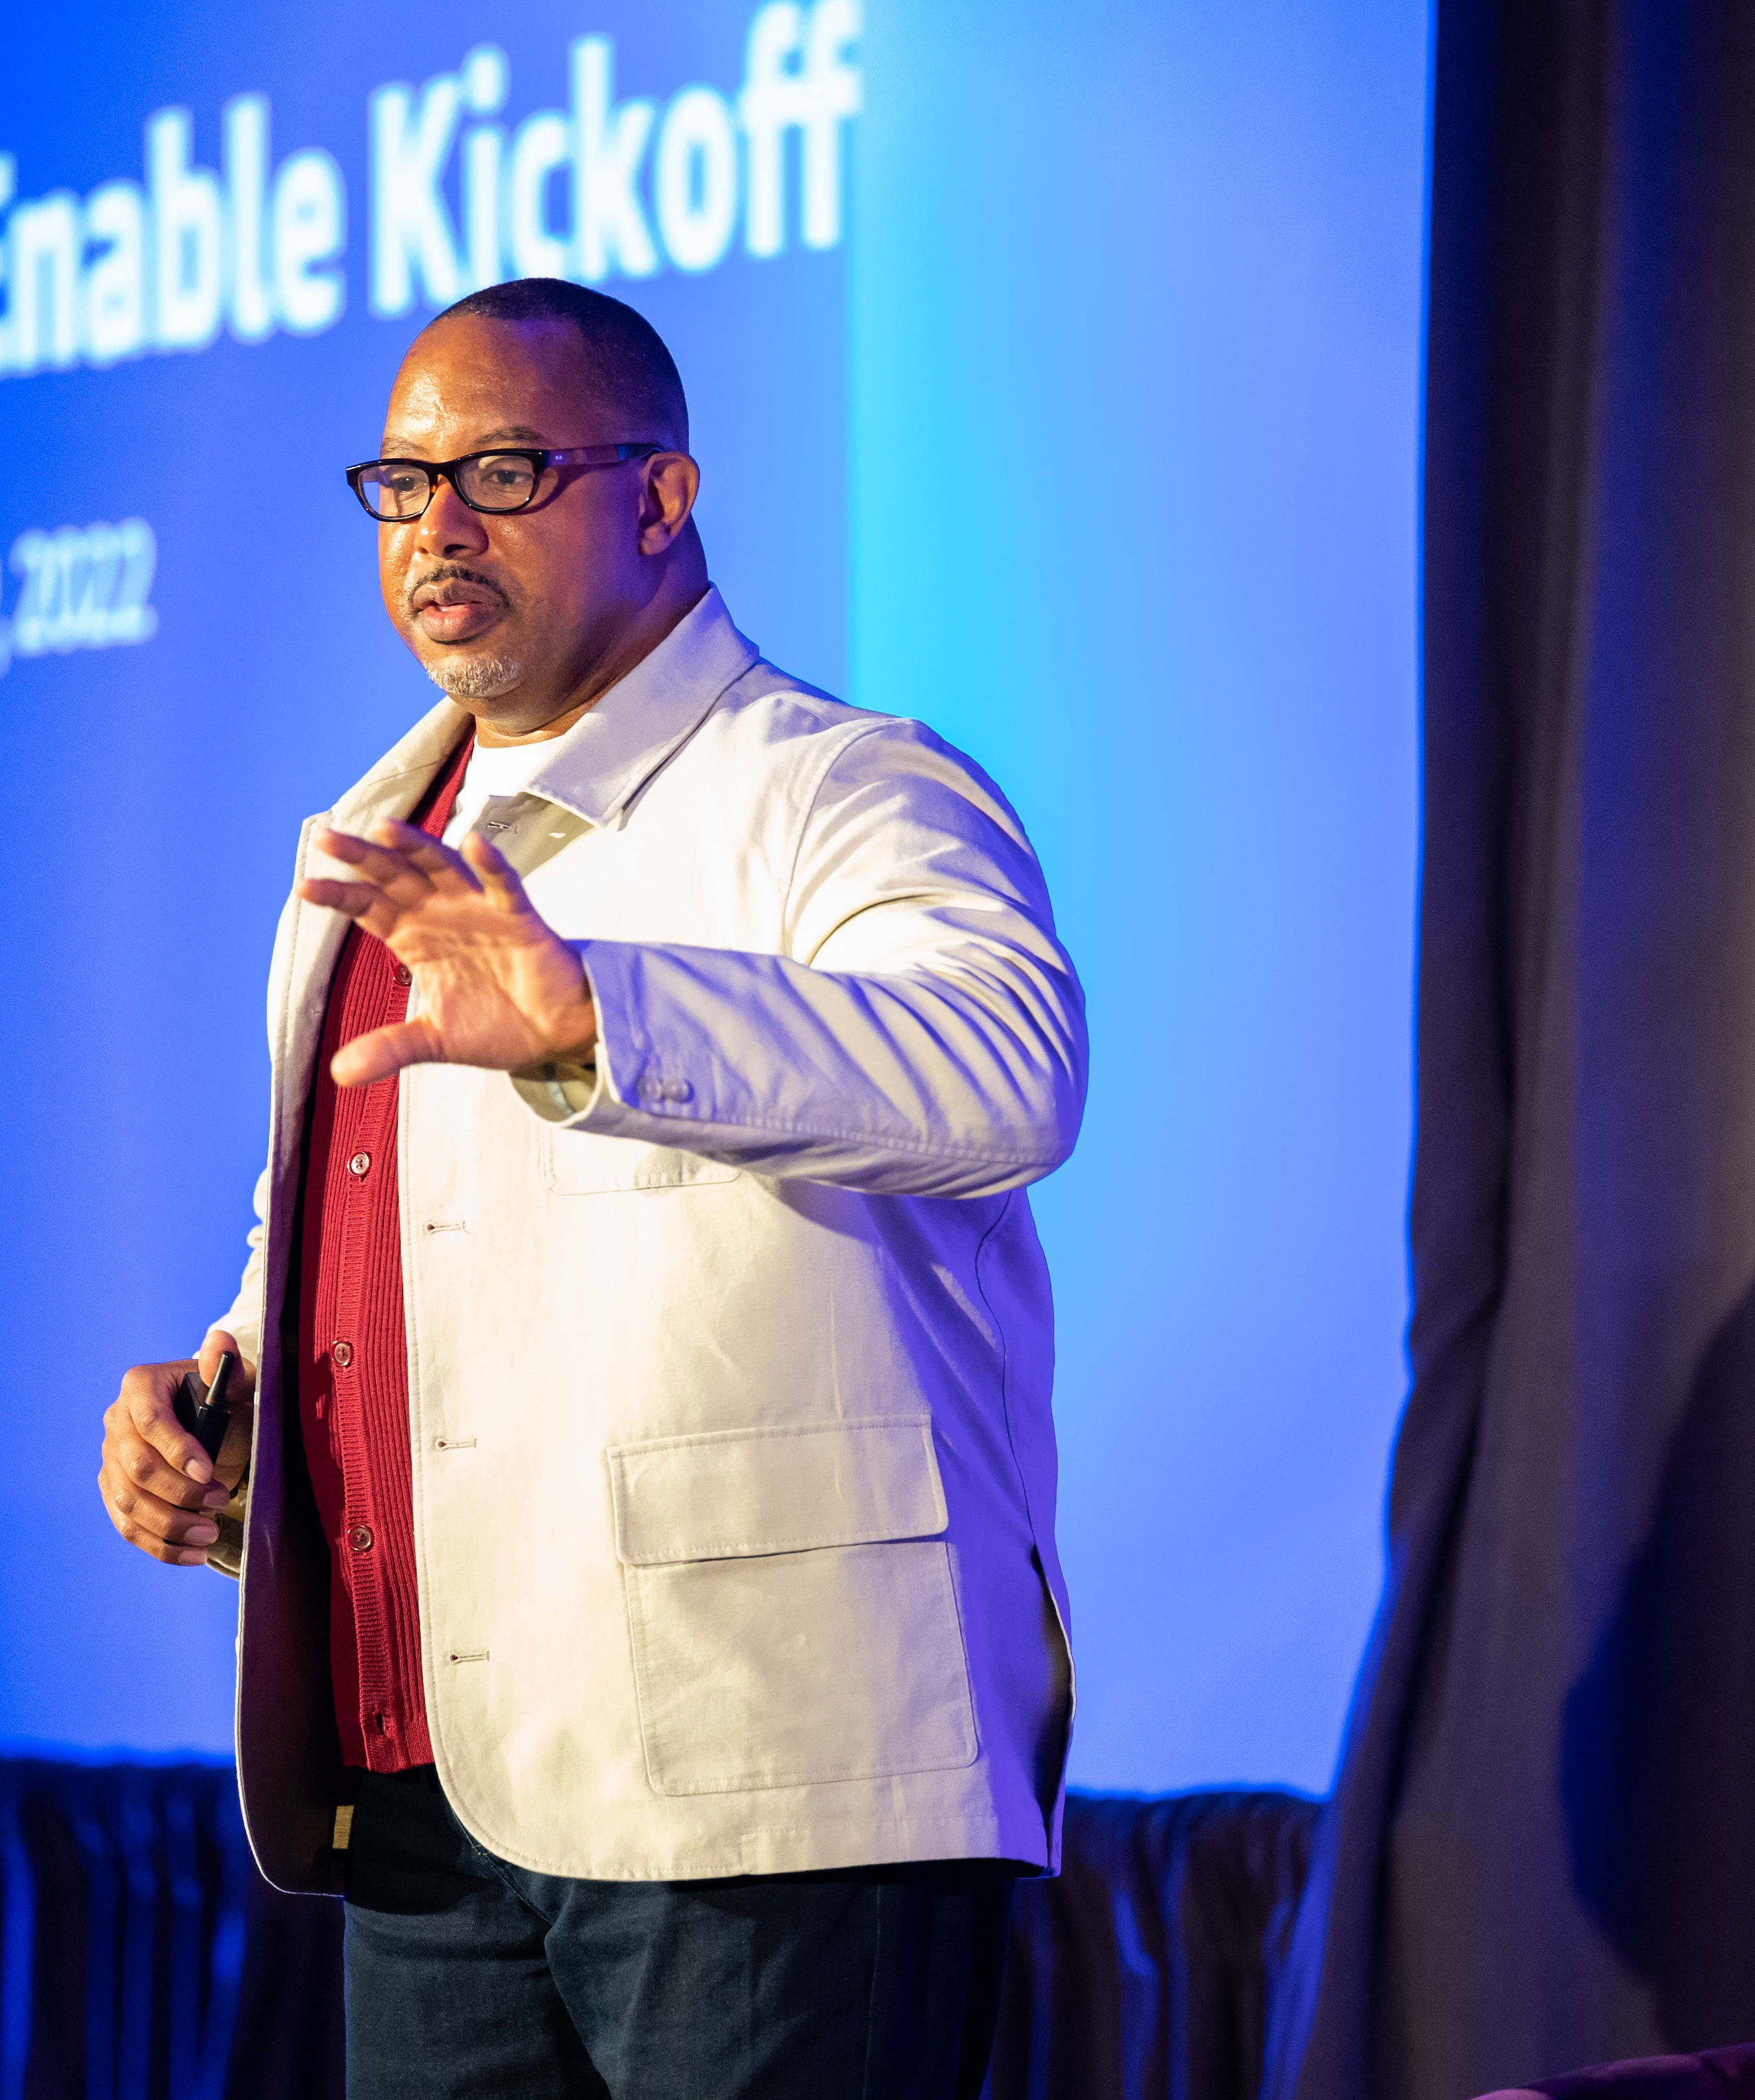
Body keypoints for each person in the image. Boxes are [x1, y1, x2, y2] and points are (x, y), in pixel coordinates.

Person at [96, 277, 1085, 2100]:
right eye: (403, 485)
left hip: (768, 1783)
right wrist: (235, 1403)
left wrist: (596, 1013)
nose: (438, 528)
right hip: (427, 1798)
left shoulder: (840, 788)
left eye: (504, 471)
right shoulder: (373, 844)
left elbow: (1007, 1067)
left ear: (662, 496)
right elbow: (366, 1227)